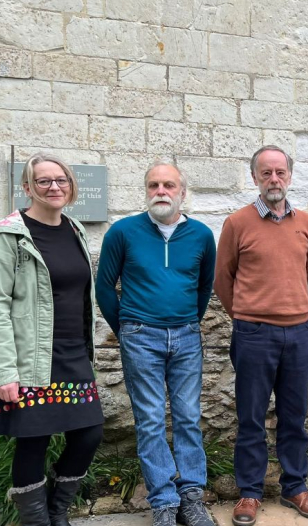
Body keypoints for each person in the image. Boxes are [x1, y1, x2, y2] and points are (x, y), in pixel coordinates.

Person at [0, 153, 104, 526]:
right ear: (27, 187)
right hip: (28, 357)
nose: (54, 187)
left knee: (89, 434)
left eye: (60, 180)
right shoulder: (8, 235)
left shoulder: (75, 229)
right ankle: (38, 521)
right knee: (34, 440)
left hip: (72, 352)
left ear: (71, 185)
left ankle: (56, 509)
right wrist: (3, 371)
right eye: (43, 181)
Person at [95, 162, 216, 526]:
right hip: (139, 336)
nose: (160, 191)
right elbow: (104, 287)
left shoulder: (201, 235)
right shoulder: (123, 232)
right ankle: (163, 502)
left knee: (188, 418)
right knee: (149, 420)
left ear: (183, 192)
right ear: (146, 190)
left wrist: (186, 321)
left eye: (168, 185)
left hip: (186, 336)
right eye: (153, 185)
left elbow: (204, 287)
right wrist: (128, 327)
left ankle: (192, 499)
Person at [214, 146, 308, 526]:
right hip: (254, 334)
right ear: (255, 178)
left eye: (280, 172)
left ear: (290, 176)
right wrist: (247, 316)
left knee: (294, 417)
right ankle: (250, 492)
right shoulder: (237, 223)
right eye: (266, 173)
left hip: (298, 333)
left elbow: (307, 271)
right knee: (251, 417)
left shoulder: (306, 223)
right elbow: (222, 279)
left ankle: (295, 487)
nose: (274, 179)